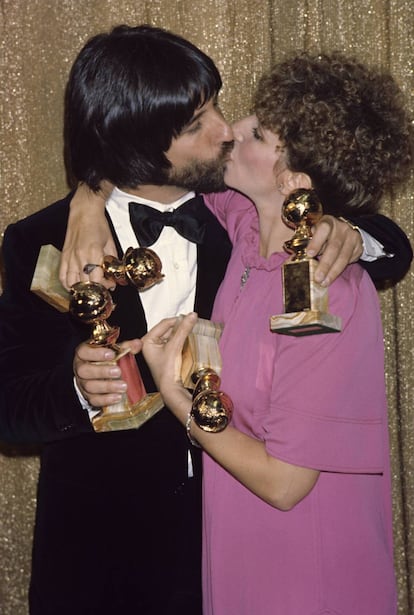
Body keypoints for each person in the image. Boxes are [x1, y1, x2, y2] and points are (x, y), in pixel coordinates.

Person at [0, 23, 410, 615]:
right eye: (196, 124)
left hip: (245, 548)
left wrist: (349, 232)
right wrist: (77, 391)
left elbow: (390, 245)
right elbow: (10, 407)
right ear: (136, 143)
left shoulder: (243, 212)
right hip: (106, 560)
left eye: (215, 105)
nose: (223, 130)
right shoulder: (39, 241)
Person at [137, 52, 413, 614]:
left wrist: (175, 395)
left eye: (257, 132)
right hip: (240, 551)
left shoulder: (318, 284)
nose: (232, 130)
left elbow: (286, 484)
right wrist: (89, 203)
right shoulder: (246, 229)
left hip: (305, 574)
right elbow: (158, 169)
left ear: (294, 181)